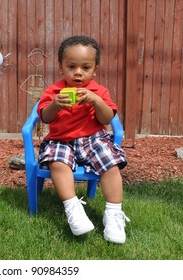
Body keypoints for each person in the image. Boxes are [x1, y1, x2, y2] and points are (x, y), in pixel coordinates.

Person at [37, 35, 129, 244]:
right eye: (71, 66)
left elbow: (106, 118)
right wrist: (54, 105)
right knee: (57, 163)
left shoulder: (99, 91)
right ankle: (73, 207)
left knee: (110, 164)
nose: (78, 72)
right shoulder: (53, 91)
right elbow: (45, 117)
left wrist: (96, 101)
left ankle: (113, 213)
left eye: (85, 67)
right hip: (61, 140)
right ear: (61, 67)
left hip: (93, 139)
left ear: (94, 69)